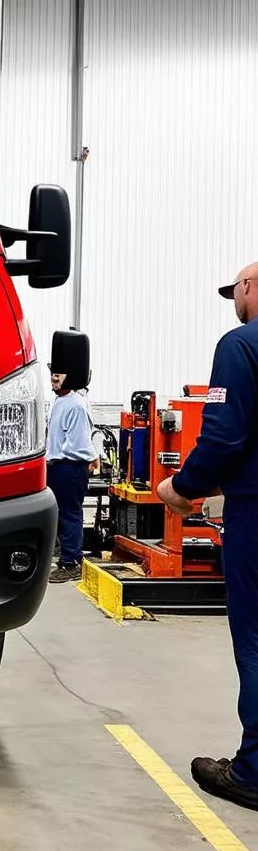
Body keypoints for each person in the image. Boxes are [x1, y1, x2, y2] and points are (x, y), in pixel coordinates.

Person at [158, 262, 258, 811]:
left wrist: (183, 486)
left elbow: (222, 437)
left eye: (235, 292)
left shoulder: (241, 345)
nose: (234, 303)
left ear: (249, 288)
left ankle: (254, 772)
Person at [45, 369, 98, 583]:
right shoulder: (59, 401)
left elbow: (79, 444)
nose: (54, 378)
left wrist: (92, 457)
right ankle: (68, 555)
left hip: (70, 466)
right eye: (53, 374)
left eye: (60, 374)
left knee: (69, 514)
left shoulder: (75, 404)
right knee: (60, 515)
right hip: (57, 466)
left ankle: (71, 563)